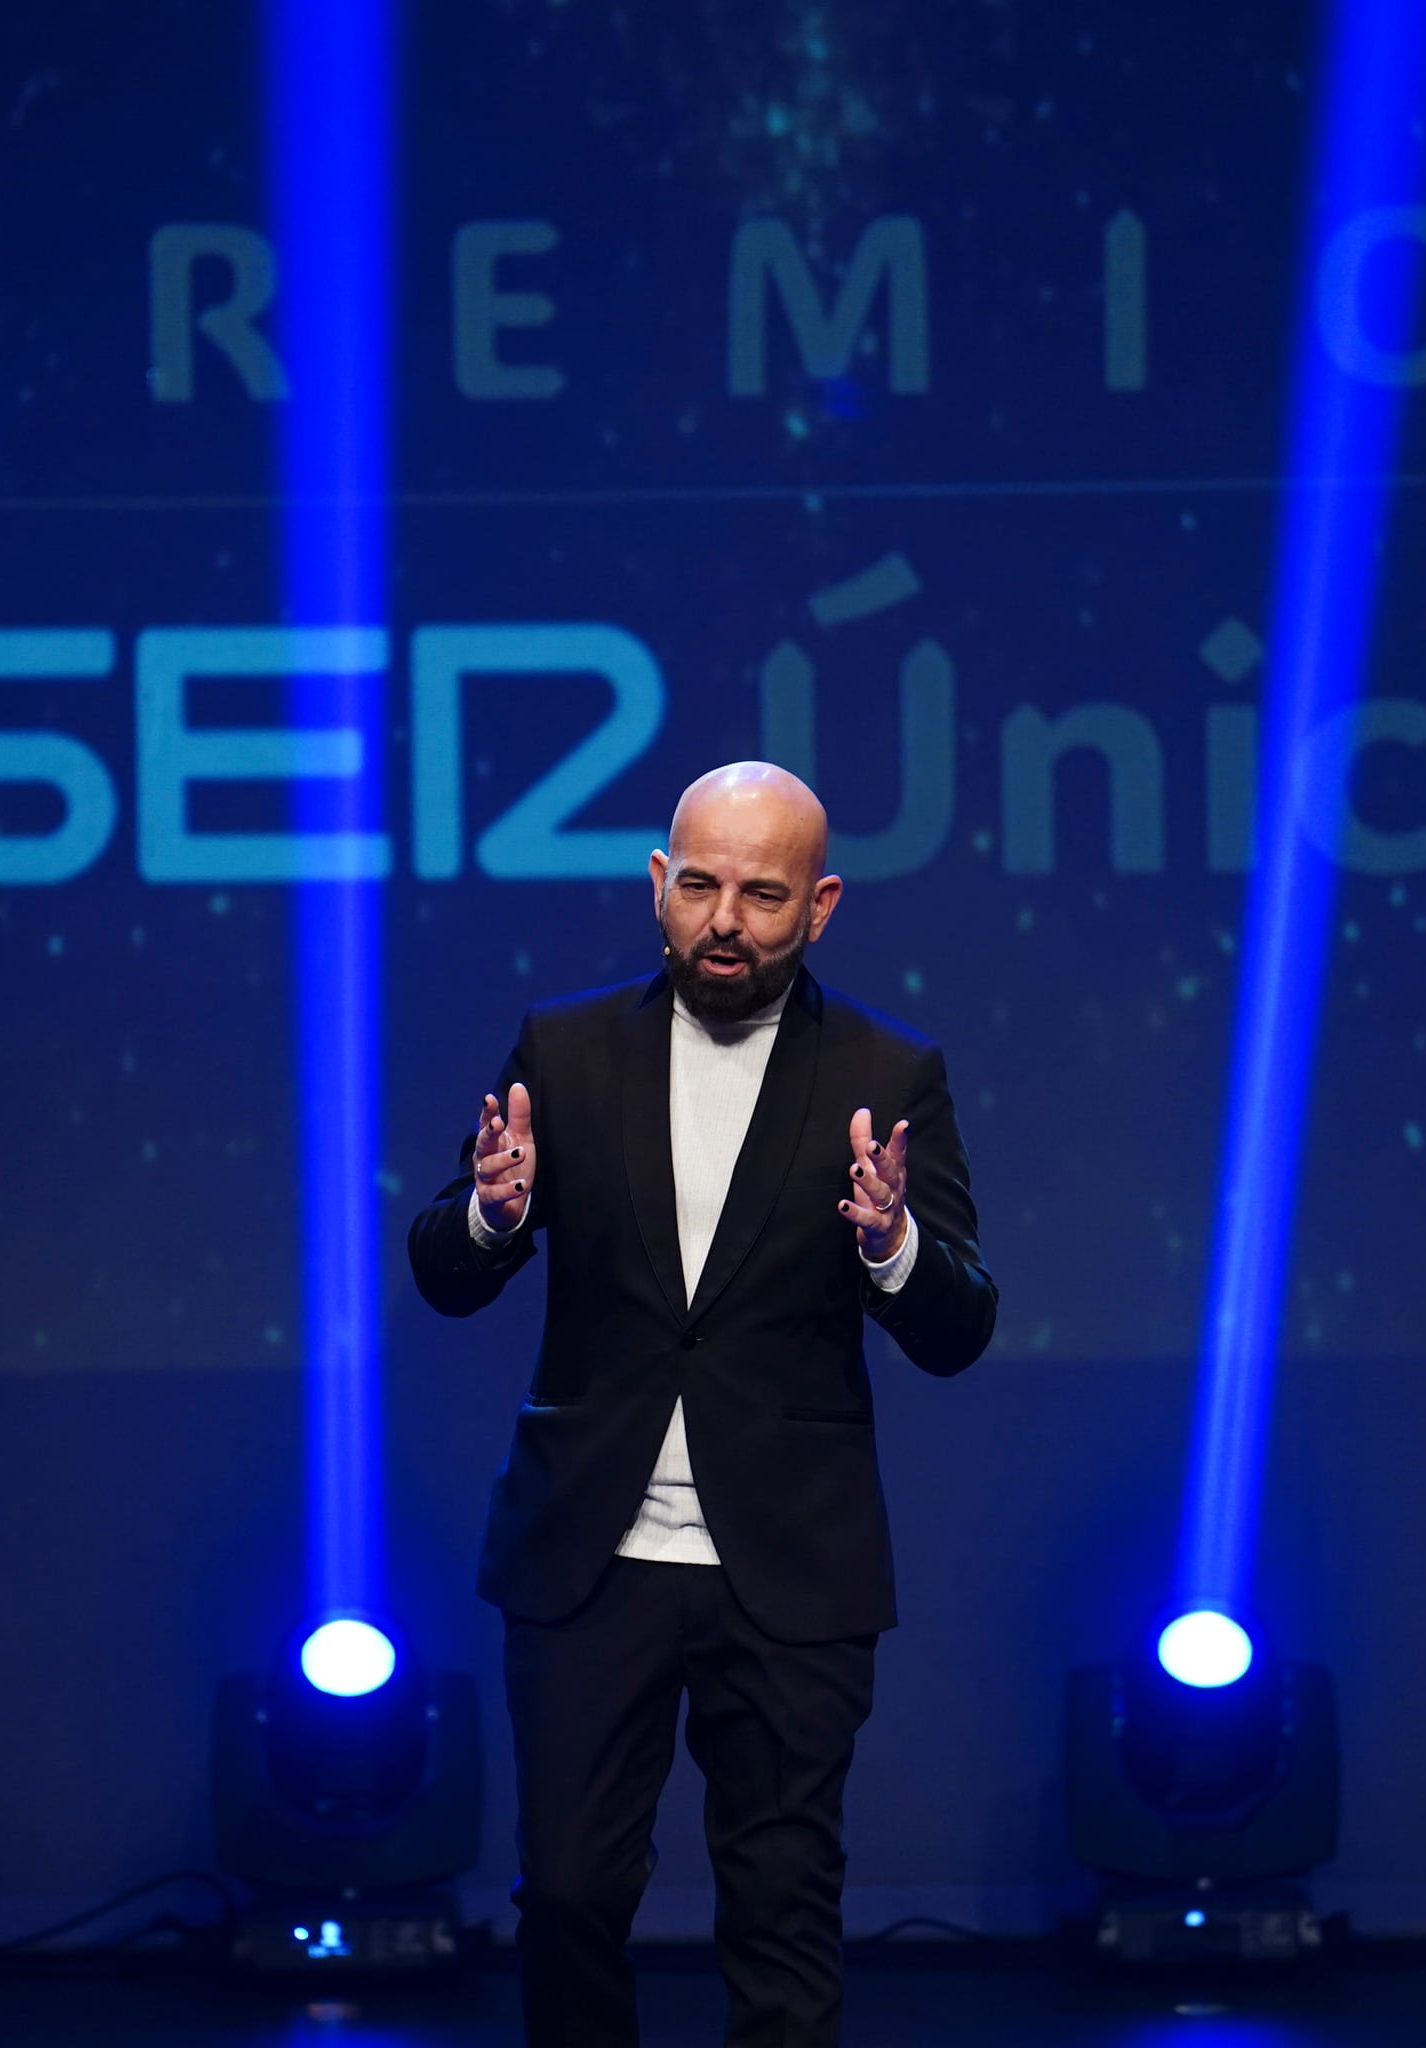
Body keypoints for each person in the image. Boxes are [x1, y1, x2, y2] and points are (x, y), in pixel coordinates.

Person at [408, 761, 1000, 2047]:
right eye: (699, 884)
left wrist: (892, 1243)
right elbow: (444, 1270)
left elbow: (960, 1325)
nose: (724, 919)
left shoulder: (888, 1070)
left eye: (762, 894)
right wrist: (493, 1214)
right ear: (657, 884)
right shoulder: (566, 1048)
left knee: (782, 1913)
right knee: (569, 1895)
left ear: (821, 905)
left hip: (789, 1561)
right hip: (589, 1550)